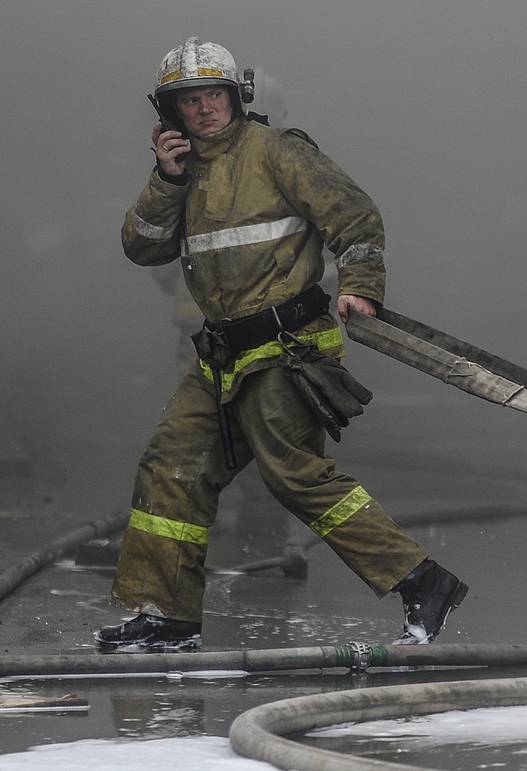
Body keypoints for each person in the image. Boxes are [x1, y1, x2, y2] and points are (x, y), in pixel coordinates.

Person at [95, 37, 466, 649]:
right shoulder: (182, 175)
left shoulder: (278, 153)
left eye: (214, 94)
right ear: (171, 113)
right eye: (189, 100)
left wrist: (361, 285)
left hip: (287, 349)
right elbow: (142, 247)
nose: (205, 109)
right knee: (172, 467)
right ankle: (167, 615)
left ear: (235, 97)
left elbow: (355, 217)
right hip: (219, 360)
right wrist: (166, 178)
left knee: (294, 475)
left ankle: (422, 581)